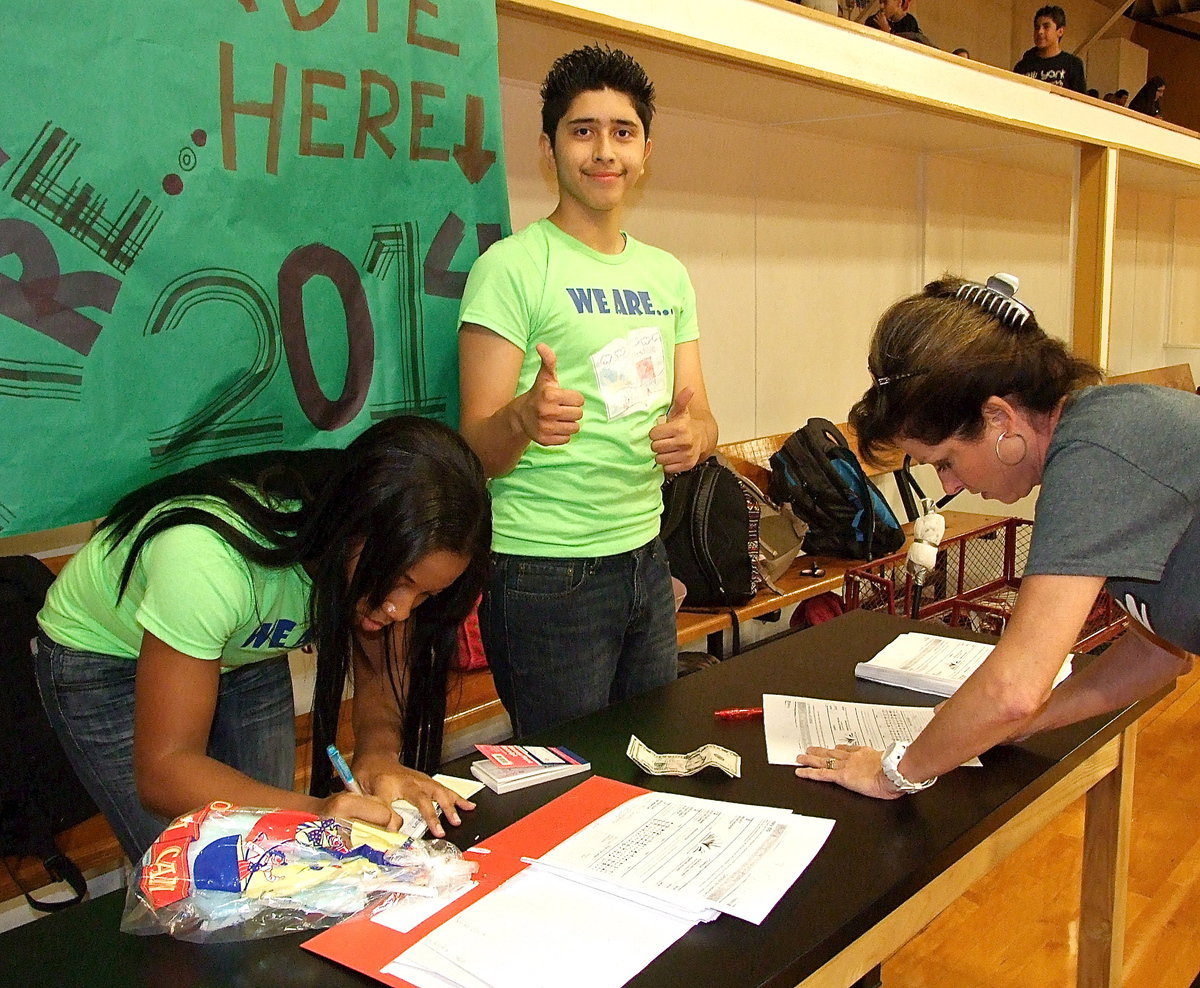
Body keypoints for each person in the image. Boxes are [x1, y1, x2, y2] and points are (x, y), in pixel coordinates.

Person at [795, 274, 1198, 799]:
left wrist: (894, 771)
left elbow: (1014, 690)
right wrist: (1010, 725)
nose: (950, 485)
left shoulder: (1097, 457)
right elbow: (1157, 653)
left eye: (946, 461)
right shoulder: (1103, 434)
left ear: (998, 419)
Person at [35, 416, 491, 859]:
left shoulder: (380, 552)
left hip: (241, 649)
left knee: (272, 861)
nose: (401, 609)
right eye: (401, 581)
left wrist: (380, 756)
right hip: (107, 659)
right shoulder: (207, 559)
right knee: (200, 874)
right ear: (351, 527)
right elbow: (165, 773)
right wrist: (318, 812)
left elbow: (379, 656)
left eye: (426, 594)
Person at [458, 45, 718, 736]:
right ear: (549, 149)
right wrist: (520, 416)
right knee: (570, 786)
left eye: (622, 132)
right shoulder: (510, 269)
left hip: (645, 556)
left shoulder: (668, 275)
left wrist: (695, 437)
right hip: (544, 573)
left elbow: (702, 413)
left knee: (649, 759)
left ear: (645, 149)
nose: (604, 152)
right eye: (583, 131)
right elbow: (474, 448)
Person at [1012, 6, 1086, 94]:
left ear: (1060, 31)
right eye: (1037, 27)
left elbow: (1081, 102)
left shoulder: (1073, 64)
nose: (1040, 32)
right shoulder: (1022, 66)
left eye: (1046, 27)